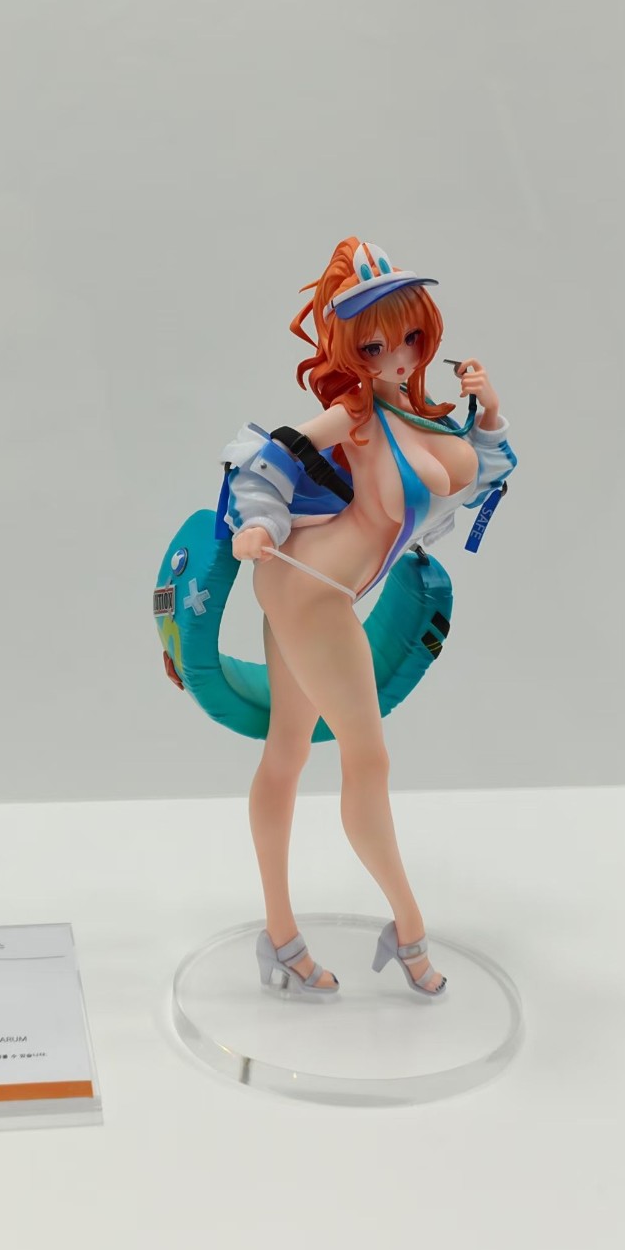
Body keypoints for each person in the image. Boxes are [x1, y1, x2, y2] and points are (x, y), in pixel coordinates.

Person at [222, 237, 516, 998]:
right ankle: (409, 929)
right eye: (376, 345)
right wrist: (255, 523)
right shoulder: (352, 414)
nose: (398, 355)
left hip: (317, 587)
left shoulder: (421, 415)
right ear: (350, 348)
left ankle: (280, 938)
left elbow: (480, 473)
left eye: (410, 337)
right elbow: (269, 458)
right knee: (367, 760)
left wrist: (488, 408)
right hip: (311, 588)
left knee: (289, 749)